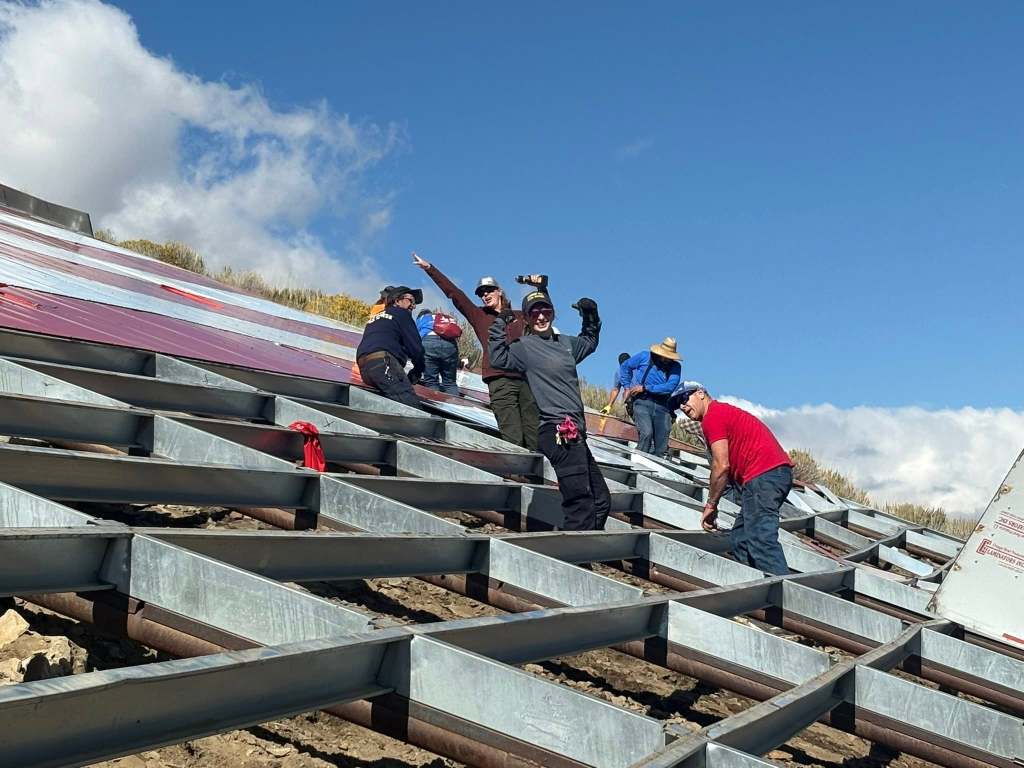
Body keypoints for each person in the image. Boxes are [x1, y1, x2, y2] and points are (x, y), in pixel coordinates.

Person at [489, 290, 610, 530]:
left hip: (577, 432)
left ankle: (588, 549)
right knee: (580, 501)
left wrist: (591, 315)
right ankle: (573, 558)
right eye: (535, 312)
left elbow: (589, 341)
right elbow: (498, 358)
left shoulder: (566, 344)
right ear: (527, 318)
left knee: (600, 500)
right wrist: (500, 322)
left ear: (553, 313)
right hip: (557, 429)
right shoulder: (524, 347)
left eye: (546, 311)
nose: (541, 317)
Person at [413, 253, 539, 450]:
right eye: (481, 293)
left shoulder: (520, 316)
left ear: (499, 291)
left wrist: (541, 287)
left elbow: (543, 316)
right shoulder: (479, 316)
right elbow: (455, 294)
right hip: (499, 380)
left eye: (488, 290)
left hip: (525, 379)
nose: (485, 295)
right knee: (512, 434)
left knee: (534, 434)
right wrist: (431, 269)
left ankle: (540, 478)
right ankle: (518, 474)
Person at [673, 382, 792, 575]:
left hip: (763, 475)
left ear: (701, 393)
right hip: (769, 475)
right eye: (678, 403)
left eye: (684, 399)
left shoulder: (713, 416)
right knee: (741, 539)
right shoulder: (719, 414)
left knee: (761, 540)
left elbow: (721, 466)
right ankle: (753, 589)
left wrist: (711, 505)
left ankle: (789, 597)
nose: (682, 406)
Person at [355, 286, 425, 409]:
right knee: (412, 407)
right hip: (383, 364)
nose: (413, 306)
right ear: (397, 301)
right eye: (411, 301)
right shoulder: (402, 314)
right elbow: (416, 349)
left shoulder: (377, 316)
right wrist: (418, 371)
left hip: (364, 368)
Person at [618, 338, 682, 457]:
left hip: (663, 407)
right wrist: (626, 386)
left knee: (662, 441)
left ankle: (657, 468)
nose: (667, 359)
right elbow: (625, 367)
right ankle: (638, 461)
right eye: (665, 355)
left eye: (670, 356)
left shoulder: (675, 367)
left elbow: (670, 386)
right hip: (642, 402)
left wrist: (646, 388)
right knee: (646, 433)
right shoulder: (644, 356)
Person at [416, 309, 461, 395]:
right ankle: (453, 405)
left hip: (430, 342)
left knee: (431, 381)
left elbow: (416, 338)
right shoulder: (442, 318)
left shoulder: (422, 318)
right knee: (450, 383)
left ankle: (433, 405)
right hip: (450, 345)